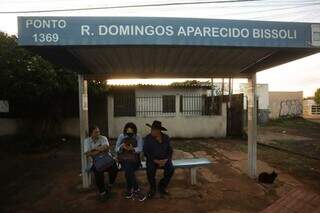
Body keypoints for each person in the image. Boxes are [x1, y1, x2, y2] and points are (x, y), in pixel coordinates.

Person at [84, 125, 118, 201]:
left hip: (106, 160)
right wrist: (100, 149)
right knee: (98, 172)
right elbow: (88, 153)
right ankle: (102, 192)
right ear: (91, 134)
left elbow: (106, 147)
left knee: (114, 169)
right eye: (96, 132)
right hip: (95, 162)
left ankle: (110, 185)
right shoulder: (87, 141)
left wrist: (95, 149)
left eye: (98, 132)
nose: (98, 134)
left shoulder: (103, 138)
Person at [143, 120, 175, 198]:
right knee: (150, 170)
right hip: (152, 160)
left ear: (158, 131)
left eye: (153, 130)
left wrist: (166, 159)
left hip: (165, 160)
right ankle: (153, 188)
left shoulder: (166, 138)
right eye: (151, 129)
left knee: (170, 169)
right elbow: (146, 152)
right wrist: (154, 160)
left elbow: (170, 150)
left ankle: (162, 186)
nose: (151, 131)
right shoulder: (148, 138)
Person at [115, 122, 146, 202]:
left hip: (134, 160)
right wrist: (122, 146)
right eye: (128, 132)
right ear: (125, 131)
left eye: (131, 132)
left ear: (134, 131)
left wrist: (132, 149)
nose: (129, 134)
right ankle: (136, 189)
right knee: (128, 168)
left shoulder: (138, 137)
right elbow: (116, 149)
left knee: (128, 171)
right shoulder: (121, 136)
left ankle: (129, 190)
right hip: (124, 159)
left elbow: (140, 149)